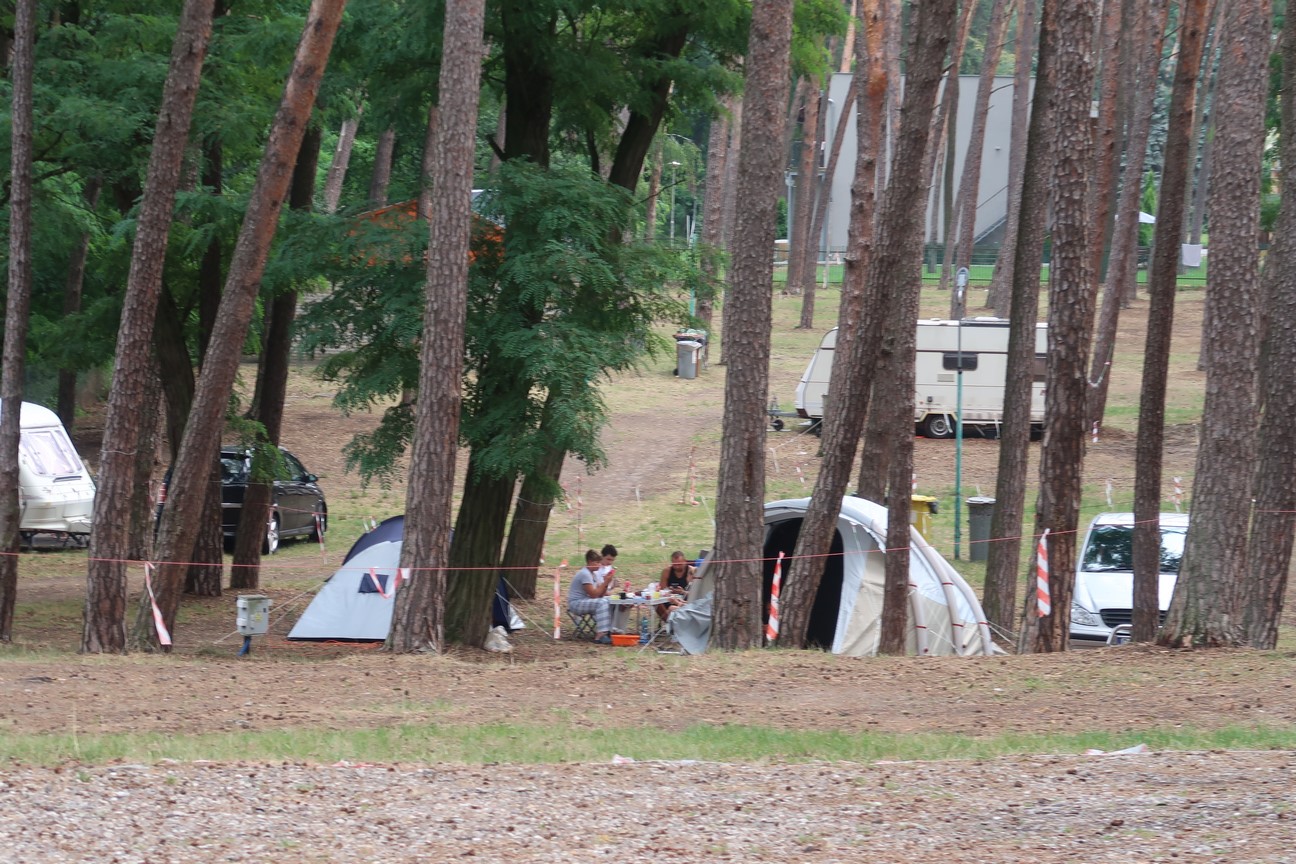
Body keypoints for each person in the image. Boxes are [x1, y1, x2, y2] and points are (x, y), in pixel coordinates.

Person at [569, 548, 617, 644]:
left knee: (610, 600)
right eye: (597, 563)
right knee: (602, 602)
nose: (599, 565)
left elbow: (600, 593)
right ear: (590, 562)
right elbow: (594, 594)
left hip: (586, 600)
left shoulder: (593, 574)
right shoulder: (585, 574)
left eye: (600, 562)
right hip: (576, 603)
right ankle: (600, 635)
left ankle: (611, 630)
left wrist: (606, 583)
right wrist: (606, 582)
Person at [655, 550, 694, 621]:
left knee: (672, 608)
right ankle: (668, 622)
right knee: (657, 604)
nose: (677, 567)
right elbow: (662, 589)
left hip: (685, 600)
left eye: (679, 564)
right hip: (670, 598)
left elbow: (696, 593)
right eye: (674, 564)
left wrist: (682, 592)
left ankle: (671, 623)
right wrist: (669, 591)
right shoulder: (667, 571)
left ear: (685, 561)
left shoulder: (691, 571)